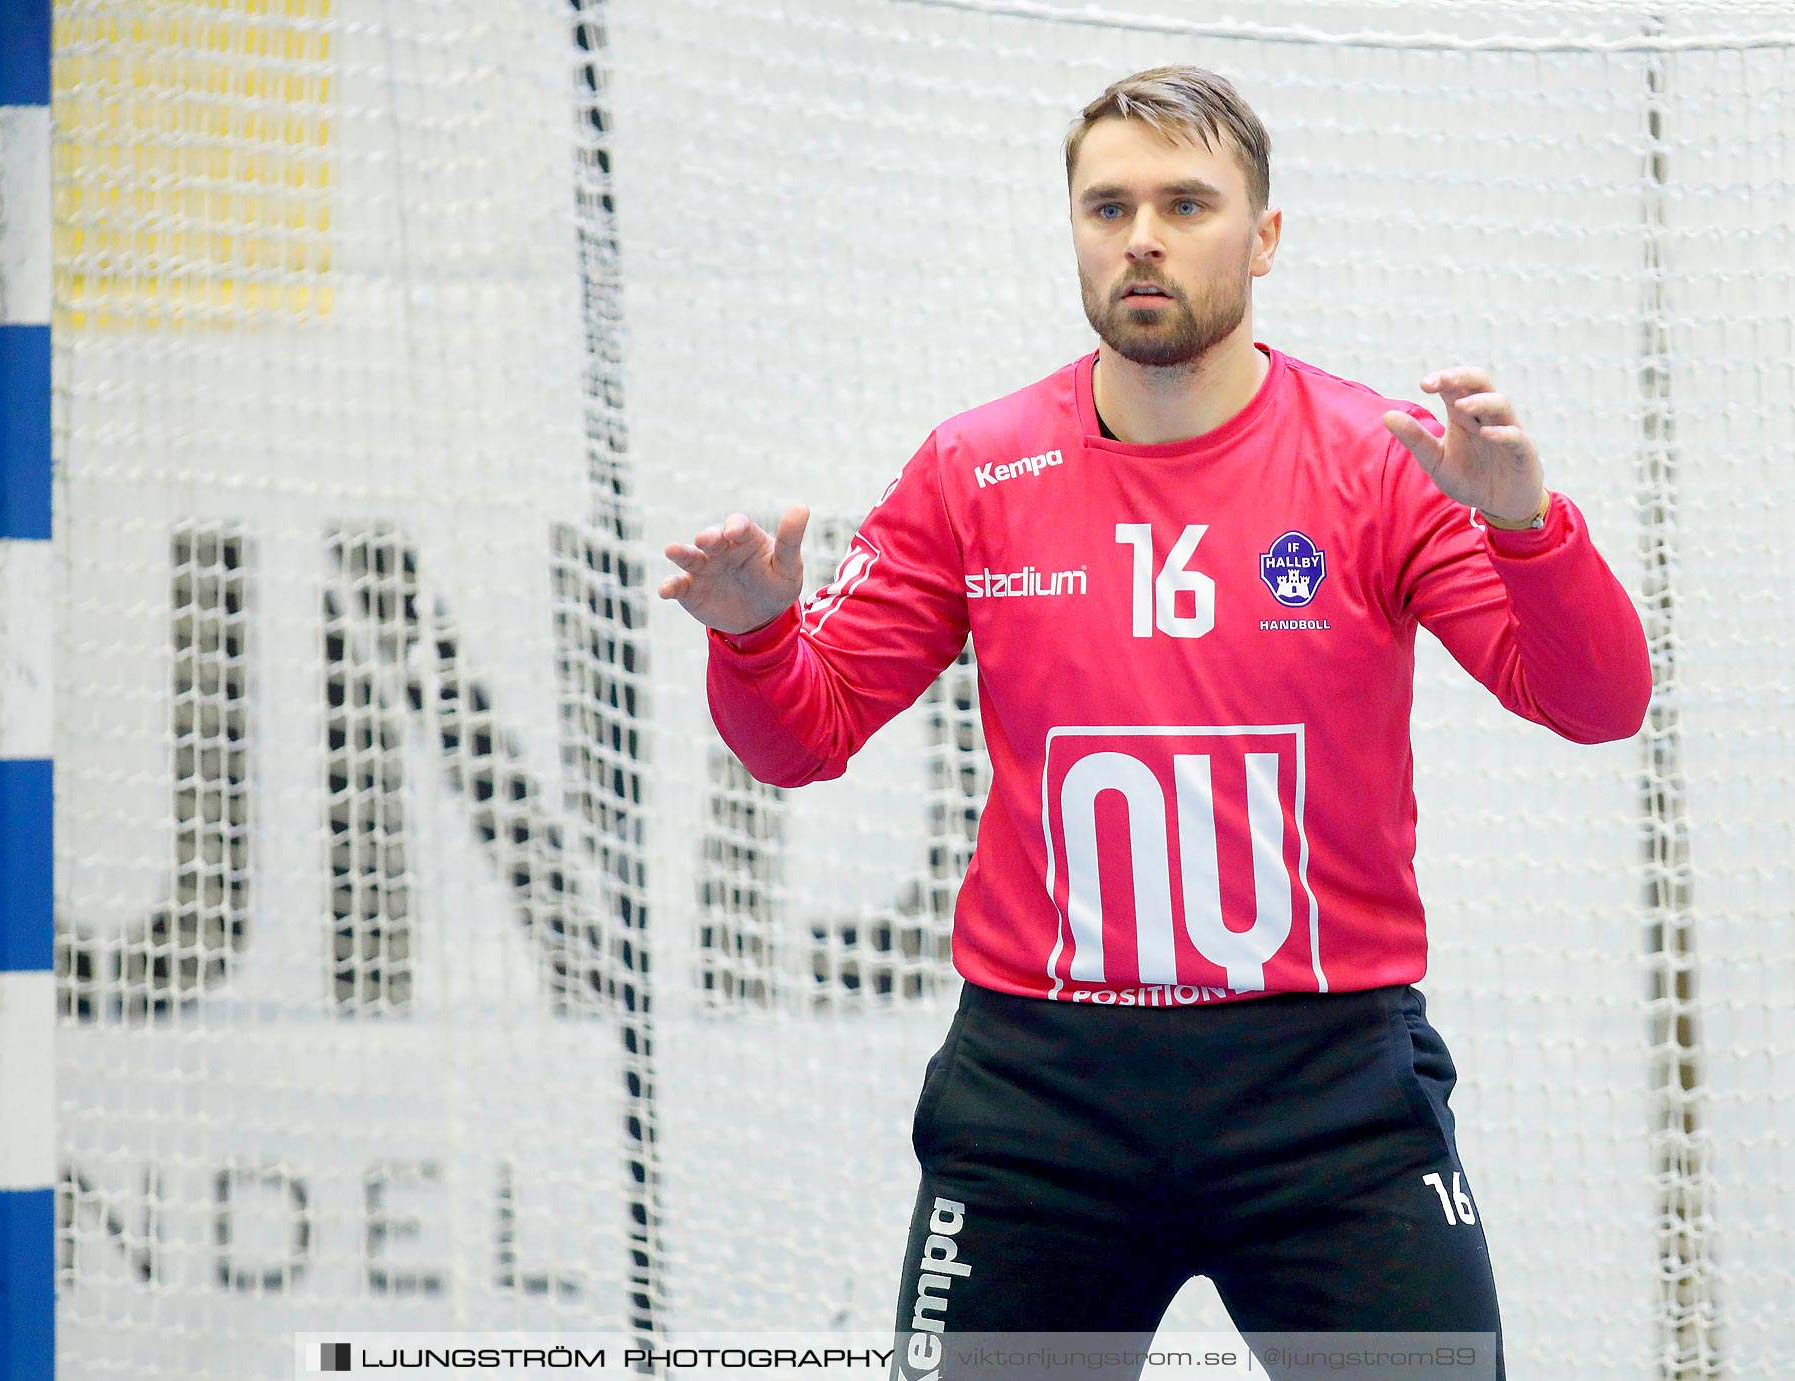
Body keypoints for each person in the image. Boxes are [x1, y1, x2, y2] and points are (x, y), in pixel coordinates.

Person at [658, 66, 1649, 1381]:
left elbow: (1594, 700)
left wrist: (1528, 528)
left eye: (1187, 202)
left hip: (1330, 1099)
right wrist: (754, 633)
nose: (1142, 234)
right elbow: (804, 735)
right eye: (1108, 204)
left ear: (1266, 237)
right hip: (1041, 1103)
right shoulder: (975, 469)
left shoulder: (1380, 461)